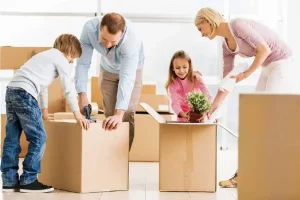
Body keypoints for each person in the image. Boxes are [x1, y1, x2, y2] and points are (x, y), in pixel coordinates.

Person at [194, 7, 292, 188]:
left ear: (208, 20)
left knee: (269, 120)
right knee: (255, 120)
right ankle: (245, 173)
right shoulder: (225, 46)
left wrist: (245, 75)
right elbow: (226, 82)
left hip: (281, 63)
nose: (201, 34)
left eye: (200, 29)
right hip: (267, 67)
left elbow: (264, 50)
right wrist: (213, 108)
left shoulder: (237, 24)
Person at [1, 34, 90, 193]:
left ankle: (9, 181)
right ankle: (29, 180)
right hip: (25, 94)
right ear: (68, 50)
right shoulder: (60, 57)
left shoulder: (44, 56)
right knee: (39, 137)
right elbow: (68, 87)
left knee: (12, 137)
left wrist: (44, 111)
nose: (71, 61)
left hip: (12, 90)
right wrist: (78, 114)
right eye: (72, 57)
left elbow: (42, 87)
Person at [75, 13, 144, 150]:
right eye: (104, 39)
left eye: (113, 42)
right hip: (107, 69)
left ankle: (122, 159)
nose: (107, 45)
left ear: (122, 33)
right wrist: (82, 95)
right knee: (109, 114)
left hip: (132, 70)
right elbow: (82, 64)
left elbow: (127, 77)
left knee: (126, 113)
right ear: (99, 28)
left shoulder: (132, 39)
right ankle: (108, 159)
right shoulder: (89, 29)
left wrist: (119, 114)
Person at [165, 50, 212, 122]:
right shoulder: (173, 83)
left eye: (184, 67)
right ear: (173, 68)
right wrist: (182, 114)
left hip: (199, 114)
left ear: (189, 66)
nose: (181, 71)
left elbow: (208, 96)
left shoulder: (197, 78)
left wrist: (206, 111)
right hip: (183, 116)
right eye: (177, 68)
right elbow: (175, 103)